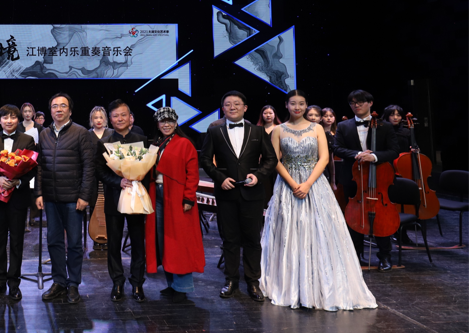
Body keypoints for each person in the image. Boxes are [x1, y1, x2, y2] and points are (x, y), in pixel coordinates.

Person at [261, 90, 377, 310]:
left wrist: (307, 184)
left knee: (320, 231)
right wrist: (293, 184)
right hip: (287, 184)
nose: (297, 107)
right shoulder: (278, 130)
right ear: (286, 105)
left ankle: (322, 285)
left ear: (306, 105)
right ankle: (291, 285)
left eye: (301, 103)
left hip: (315, 184)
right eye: (293, 103)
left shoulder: (316, 128)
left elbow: (324, 158)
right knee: (289, 231)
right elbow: (274, 160)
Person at [199, 91, 277, 302]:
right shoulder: (214, 131)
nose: (232, 107)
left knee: (252, 239)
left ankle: (253, 282)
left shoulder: (258, 131)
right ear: (222, 108)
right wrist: (220, 178)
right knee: (229, 239)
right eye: (227, 104)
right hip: (226, 193)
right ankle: (231, 280)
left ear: (245, 107)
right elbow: (205, 159)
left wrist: (258, 176)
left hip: (253, 193)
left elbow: (271, 159)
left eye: (236, 104)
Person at [35, 93, 97, 304]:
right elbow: (39, 166)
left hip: (73, 199)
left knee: (75, 244)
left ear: (70, 110)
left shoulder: (81, 133)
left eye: (63, 106)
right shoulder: (44, 134)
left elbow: (89, 167)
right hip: (51, 198)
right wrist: (39, 192)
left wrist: (84, 196)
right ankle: (59, 282)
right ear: (50, 110)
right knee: (54, 242)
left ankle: (73, 284)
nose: (58, 109)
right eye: (55, 106)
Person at [333, 90, 400, 271]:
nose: (356, 105)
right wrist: (358, 154)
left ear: (370, 103)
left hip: (380, 178)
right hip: (353, 179)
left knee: (381, 217)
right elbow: (337, 148)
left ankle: (385, 256)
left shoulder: (385, 126)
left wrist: (375, 156)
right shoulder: (343, 126)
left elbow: (394, 151)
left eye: (360, 102)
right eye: (353, 103)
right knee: (354, 217)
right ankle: (355, 256)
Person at [145, 106, 205, 304]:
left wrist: (188, 198)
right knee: (163, 240)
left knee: (179, 242)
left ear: (176, 123)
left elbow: (192, 174)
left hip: (177, 197)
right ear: (158, 124)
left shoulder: (184, 143)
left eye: (170, 121)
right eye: (163, 121)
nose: (166, 124)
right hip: (158, 195)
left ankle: (182, 287)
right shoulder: (156, 144)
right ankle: (171, 284)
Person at [94, 100, 149, 302]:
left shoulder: (142, 140)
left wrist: (139, 183)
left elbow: (148, 169)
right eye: (116, 116)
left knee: (138, 243)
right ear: (110, 119)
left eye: (123, 115)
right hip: (114, 198)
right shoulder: (105, 142)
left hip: (137, 198)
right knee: (114, 244)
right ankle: (117, 282)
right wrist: (119, 181)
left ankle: (137, 283)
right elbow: (99, 171)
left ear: (130, 117)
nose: (120, 119)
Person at [0, 105, 38, 302]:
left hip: (18, 197)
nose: (9, 121)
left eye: (13, 117)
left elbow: (32, 168)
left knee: (16, 241)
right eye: (5, 117)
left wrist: (18, 181)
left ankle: (14, 283)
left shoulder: (27, 140)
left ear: (18, 119)